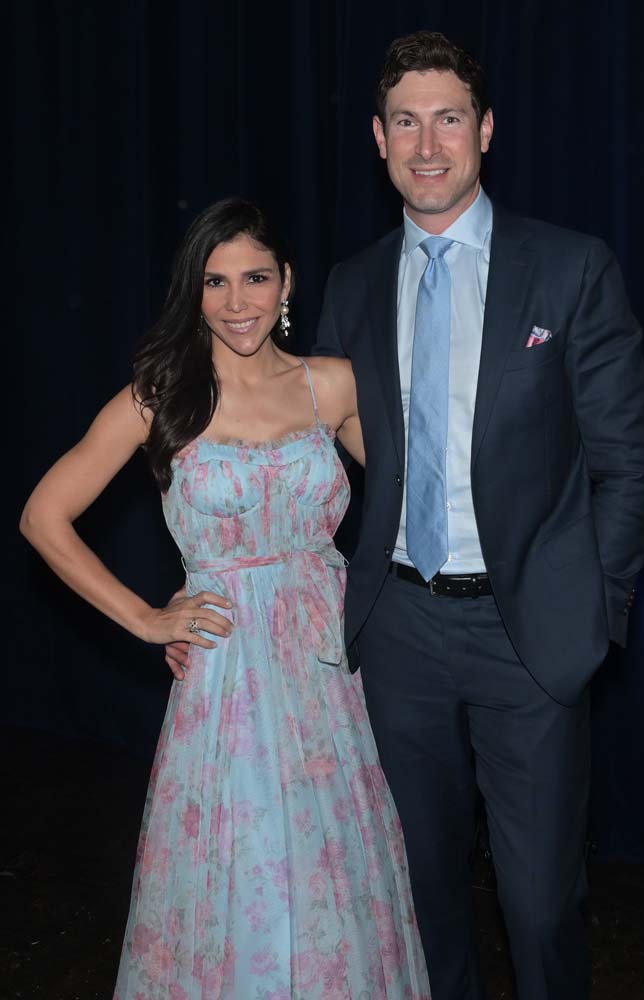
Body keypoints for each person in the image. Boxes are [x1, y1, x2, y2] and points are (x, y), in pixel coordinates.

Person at [311, 30, 644, 1000]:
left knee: (541, 904)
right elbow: (303, 456)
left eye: (450, 119)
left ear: (488, 129)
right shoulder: (350, 286)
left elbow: (630, 460)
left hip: (531, 635)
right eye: (407, 123)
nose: (430, 146)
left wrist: (598, 611)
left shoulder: (570, 269)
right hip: (402, 631)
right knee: (423, 895)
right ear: (379, 141)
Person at [19, 196, 431, 1000]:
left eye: (254, 278)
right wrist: (146, 617)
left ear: (287, 286)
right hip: (225, 672)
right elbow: (44, 516)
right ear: (193, 291)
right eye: (215, 281)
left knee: (326, 860)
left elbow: (412, 501)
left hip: (323, 668)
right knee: (238, 859)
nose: (236, 300)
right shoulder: (159, 396)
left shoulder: (333, 386)